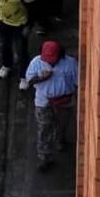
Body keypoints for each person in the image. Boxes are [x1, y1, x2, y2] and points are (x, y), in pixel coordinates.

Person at [24, 41, 79, 171]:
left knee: (62, 124)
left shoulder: (70, 64)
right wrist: (41, 78)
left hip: (64, 101)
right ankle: (44, 156)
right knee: (44, 128)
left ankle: (60, 140)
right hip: (43, 101)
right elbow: (29, 81)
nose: (50, 62)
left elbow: (78, 82)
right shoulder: (36, 62)